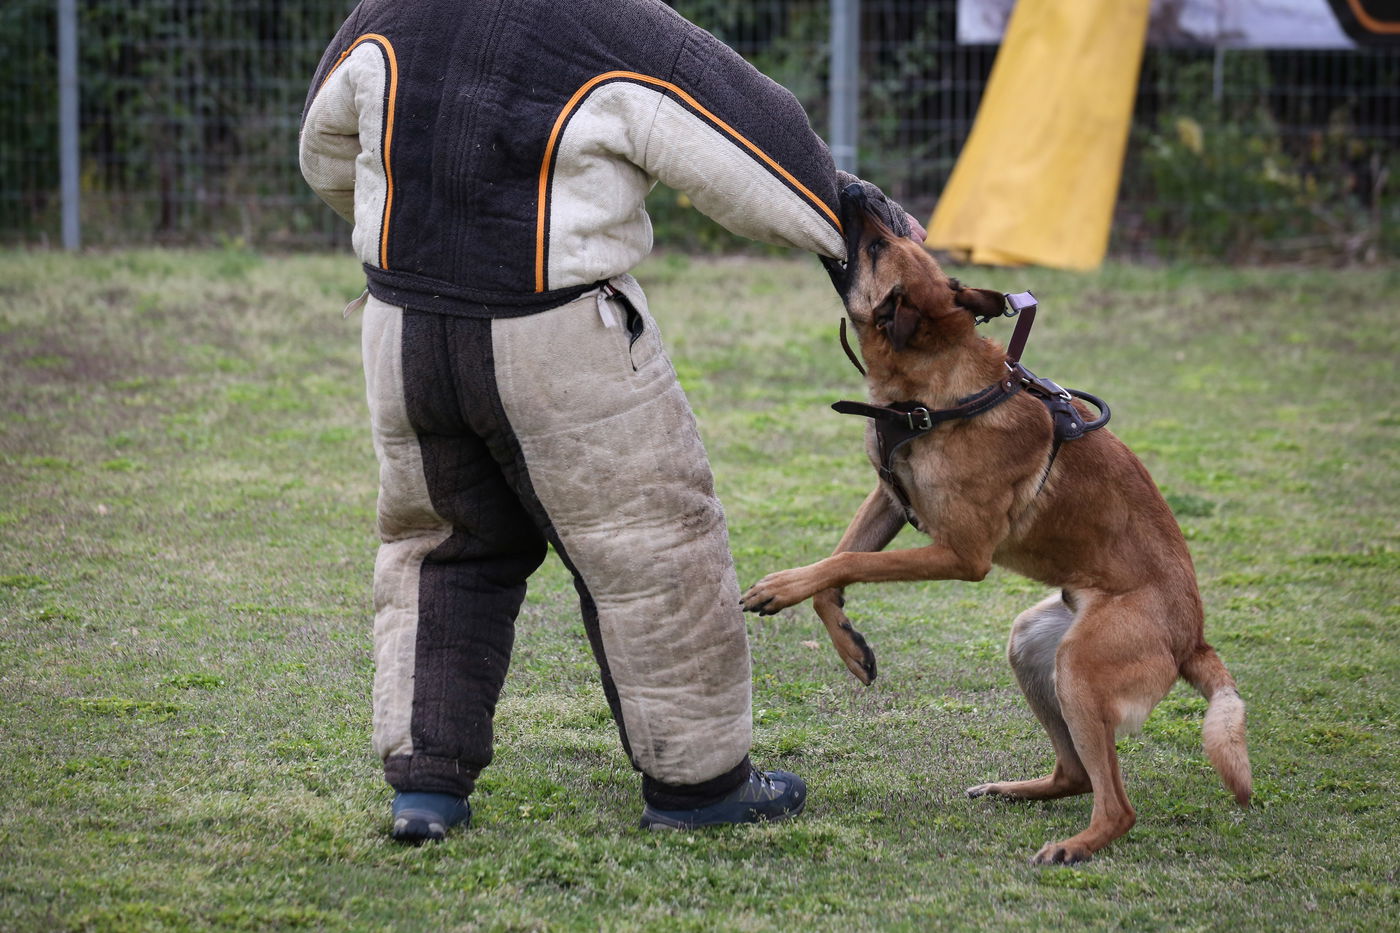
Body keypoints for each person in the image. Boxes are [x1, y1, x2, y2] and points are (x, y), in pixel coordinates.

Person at [299, 0, 916, 841]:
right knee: (653, 547)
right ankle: (700, 785)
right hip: (557, 330)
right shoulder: (610, 21)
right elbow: (745, 136)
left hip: (401, 325)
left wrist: (398, 238)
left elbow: (323, 145)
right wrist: (841, 212)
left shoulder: (388, 8)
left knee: (438, 549)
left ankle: (426, 787)